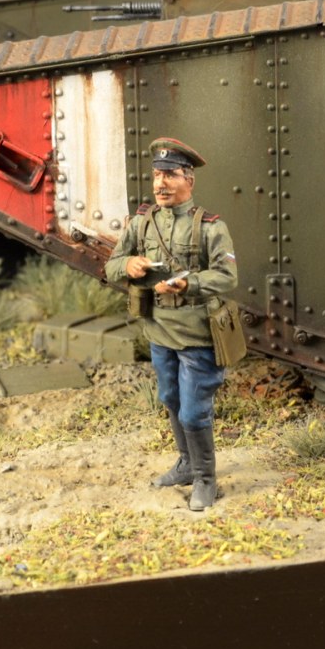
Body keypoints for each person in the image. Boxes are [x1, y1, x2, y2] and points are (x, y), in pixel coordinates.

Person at [104, 137, 238, 510]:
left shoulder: (210, 227)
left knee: (194, 411)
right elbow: (111, 266)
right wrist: (129, 265)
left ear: (188, 180)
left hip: (197, 333)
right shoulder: (141, 223)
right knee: (171, 398)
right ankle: (186, 464)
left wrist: (188, 284)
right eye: (156, 175)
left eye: (170, 175)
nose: (160, 184)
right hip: (159, 329)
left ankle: (205, 478)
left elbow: (227, 277)